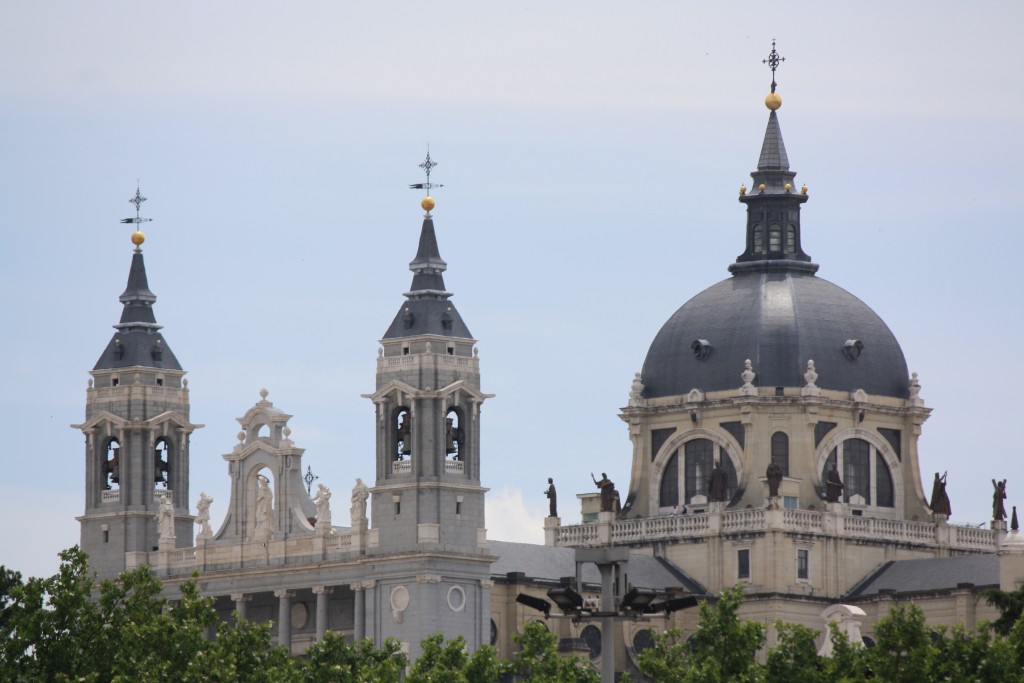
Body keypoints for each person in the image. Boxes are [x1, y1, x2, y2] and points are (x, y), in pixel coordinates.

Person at [254, 474, 274, 540]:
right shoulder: (260, 489)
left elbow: (271, 496)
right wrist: (261, 498)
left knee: (265, 516)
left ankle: (265, 526)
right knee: (259, 516)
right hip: (261, 505)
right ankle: (259, 527)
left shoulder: (268, 489)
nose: (261, 483)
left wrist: (266, 498)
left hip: (266, 504)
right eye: (260, 482)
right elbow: (258, 498)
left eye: (261, 482)